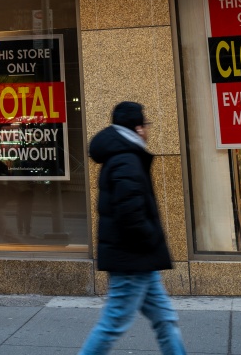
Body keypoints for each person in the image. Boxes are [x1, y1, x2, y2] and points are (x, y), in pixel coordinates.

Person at [79, 102, 186, 355]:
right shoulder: (126, 159)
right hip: (132, 259)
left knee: (165, 319)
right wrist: (151, 239)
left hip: (139, 260)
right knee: (112, 324)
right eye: (146, 125)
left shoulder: (125, 156)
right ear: (137, 128)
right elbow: (130, 214)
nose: (148, 130)